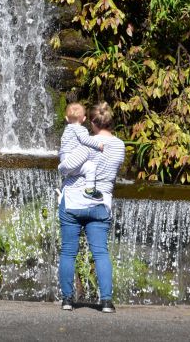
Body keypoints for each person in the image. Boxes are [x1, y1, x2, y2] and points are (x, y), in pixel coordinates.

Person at [58, 101, 125, 313]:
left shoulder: (86, 143)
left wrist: (63, 166)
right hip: (100, 204)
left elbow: (68, 167)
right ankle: (106, 302)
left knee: (68, 252)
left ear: (92, 123)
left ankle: (67, 300)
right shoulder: (120, 146)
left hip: (73, 202)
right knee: (101, 252)